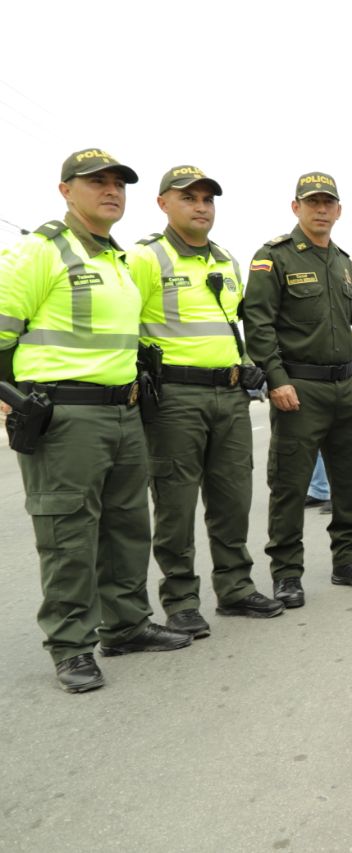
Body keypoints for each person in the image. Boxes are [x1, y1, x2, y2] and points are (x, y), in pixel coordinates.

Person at [0, 149, 191, 693]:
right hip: (66, 416)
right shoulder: (37, 253)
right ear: (65, 190)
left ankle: (127, 625)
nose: (111, 191)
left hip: (124, 411)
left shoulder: (120, 259)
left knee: (128, 527)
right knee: (68, 534)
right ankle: (70, 646)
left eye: (118, 184)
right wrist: (12, 399)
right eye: (96, 182)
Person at [128, 165, 284, 639]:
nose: (200, 206)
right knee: (175, 502)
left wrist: (247, 363)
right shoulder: (144, 258)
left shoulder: (224, 260)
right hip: (176, 397)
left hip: (230, 394)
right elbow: (123, 326)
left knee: (233, 498)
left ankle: (235, 588)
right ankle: (180, 601)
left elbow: (231, 323)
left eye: (207, 199)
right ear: (163, 204)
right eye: (189, 198)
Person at [243, 172, 352, 608]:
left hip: (344, 385)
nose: (320, 209)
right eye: (312, 202)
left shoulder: (343, 263)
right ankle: (286, 573)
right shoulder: (274, 258)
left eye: (328, 203)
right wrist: (276, 379)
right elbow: (258, 324)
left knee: (350, 479)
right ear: (296, 207)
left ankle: (349, 560)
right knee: (289, 484)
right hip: (298, 388)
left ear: (338, 210)